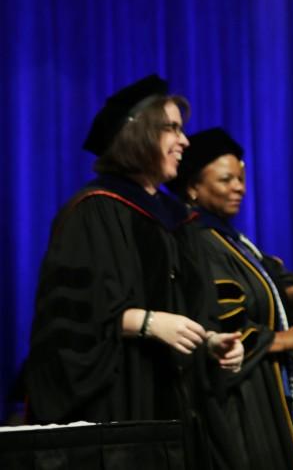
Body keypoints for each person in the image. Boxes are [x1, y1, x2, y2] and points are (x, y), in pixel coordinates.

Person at [25, 75, 243, 466]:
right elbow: (69, 321)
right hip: (121, 399)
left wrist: (211, 341)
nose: (185, 142)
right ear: (140, 134)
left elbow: (189, 305)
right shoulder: (94, 210)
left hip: (180, 403)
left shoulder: (180, 220)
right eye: (172, 129)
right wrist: (147, 323)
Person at [168, 127, 293, 470]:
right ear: (192, 188)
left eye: (240, 178)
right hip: (240, 397)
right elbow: (218, 319)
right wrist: (280, 339)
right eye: (225, 180)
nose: (239, 187)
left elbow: (260, 295)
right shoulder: (198, 243)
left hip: (270, 386)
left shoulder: (231, 238)